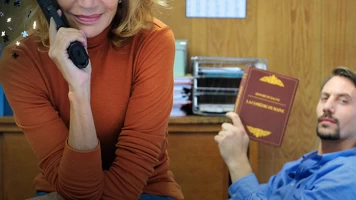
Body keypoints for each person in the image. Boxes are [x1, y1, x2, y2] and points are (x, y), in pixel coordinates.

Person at [0, 0, 184, 200]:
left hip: (143, 191)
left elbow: (128, 180)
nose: (88, 4)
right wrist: (78, 91)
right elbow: (75, 191)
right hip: (63, 189)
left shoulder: (152, 39)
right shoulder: (20, 60)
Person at [214, 67, 356, 199]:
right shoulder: (297, 165)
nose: (327, 107)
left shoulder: (347, 177)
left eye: (343, 101)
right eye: (325, 98)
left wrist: (237, 161)